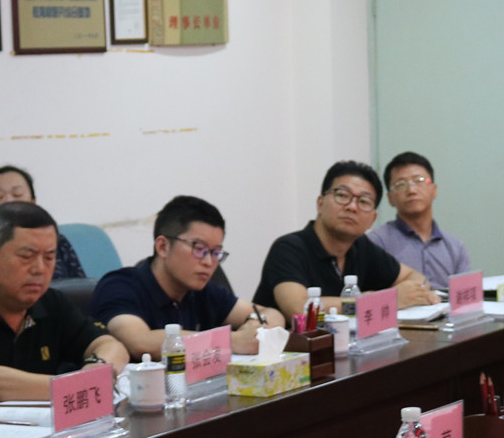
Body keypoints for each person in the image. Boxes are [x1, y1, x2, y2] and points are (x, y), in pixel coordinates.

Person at [0, 201, 128, 412]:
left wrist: (99, 367)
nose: (39, 269)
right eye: (26, 256)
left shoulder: (52, 304)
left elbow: (111, 345)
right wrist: (76, 387)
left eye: (49, 257)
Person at [92, 196, 284, 359]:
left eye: (216, 252)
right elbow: (139, 342)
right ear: (163, 247)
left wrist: (254, 325)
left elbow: (272, 313)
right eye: (199, 249)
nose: (208, 262)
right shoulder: (119, 286)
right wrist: (230, 341)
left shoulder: (203, 291)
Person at [253, 161, 438, 318]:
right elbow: (299, 308)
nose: (352, 207)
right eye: (342, 195)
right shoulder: (288, 248)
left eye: (363, 201)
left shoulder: (361, 247)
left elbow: (416, 278)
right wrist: (384, 300)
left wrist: (408, 294)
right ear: (320, 203)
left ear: (372, 219)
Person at [0, 166, 84, 291]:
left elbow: (83, 288)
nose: (8, 201)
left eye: (17, 194)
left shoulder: (58, 242)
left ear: (33, 202)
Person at [366, 151, 472, 293]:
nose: (412, 190)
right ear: (390, 198)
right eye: (401, 184)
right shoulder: (376, 243)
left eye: (419, 181)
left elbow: (466, 297)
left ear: (434, 190)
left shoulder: (455, 247)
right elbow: (369, 296)